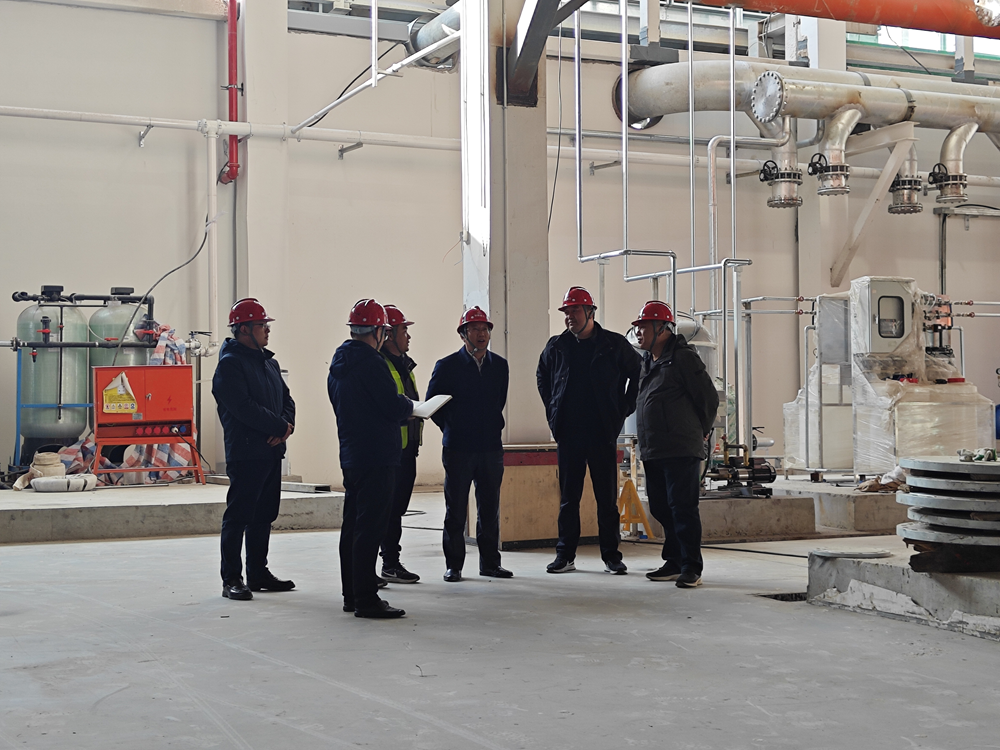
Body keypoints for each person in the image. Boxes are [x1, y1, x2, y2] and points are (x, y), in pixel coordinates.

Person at [536, 286, 641, 575]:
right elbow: (542, 375)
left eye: (575, 310)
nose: (570, 316)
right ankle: (565, 555)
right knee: (569, 499)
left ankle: (611, 556)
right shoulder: (557, 346)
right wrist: (553, 409)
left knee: (606, 498)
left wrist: (623, 408)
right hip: (569, 433)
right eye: (567, 311)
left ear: (590, 312)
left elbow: (638, 373)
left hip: (602, 433)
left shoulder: (614, 344)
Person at [328, 299, 414, 618]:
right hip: (378, 456)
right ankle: (366, 599)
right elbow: (390, 405)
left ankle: (352, 594)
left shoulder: (339, 363)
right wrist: (409, 406)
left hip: (353, 455)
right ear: (378, 331)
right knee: (370, 528)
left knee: (353, 526)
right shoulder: (372, 363)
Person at [213, 298, 296, 601]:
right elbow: (243, 407)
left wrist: (286, 426)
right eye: (262, 325)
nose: (267, 330)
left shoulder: (268, 363)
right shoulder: (230, 365)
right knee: (239, 516)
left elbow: (287, 400)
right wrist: (277, 426)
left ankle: (258, 573)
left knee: (264, 515)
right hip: (246, 452)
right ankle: (232, 578)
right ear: (244, 329)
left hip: (271, 451)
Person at [632, 300, 719, 589]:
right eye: (638, 327)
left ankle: (691, 566)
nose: (639, 332)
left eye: (644, 327)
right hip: (654, 449)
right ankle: (674, 560)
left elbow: (708, 399)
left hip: (680, 448)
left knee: (683, 508)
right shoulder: (648, 361)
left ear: (663, 329)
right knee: (660, 506)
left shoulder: (683, 358)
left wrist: (700, 432)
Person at [425, 306, 512, 583]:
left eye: (485, 329)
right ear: (463, 334)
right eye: (475, 329)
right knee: (456, 509)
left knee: (489, 507)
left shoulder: (500, 366)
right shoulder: (447, 366)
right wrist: (453, 427)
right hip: (458, 449)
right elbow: (433, 406)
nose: (481, 333)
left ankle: (490, 563)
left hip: (490, 447)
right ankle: (454, 565)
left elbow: (499, 401)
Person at [378, 305, 422, 584]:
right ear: (390, 334)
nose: (409, 336)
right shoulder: (380, 365)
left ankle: (390, 563)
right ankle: (389, 563)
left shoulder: (405, 364)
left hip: (407, 450)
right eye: (404, 330)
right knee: (388, 511)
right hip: (391, 450)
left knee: (396, 509)